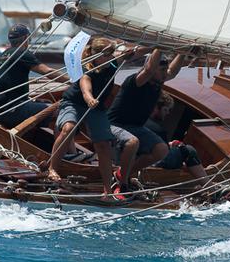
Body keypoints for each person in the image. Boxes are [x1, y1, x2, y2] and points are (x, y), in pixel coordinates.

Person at [48, 37, 124, 199]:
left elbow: (135, 53)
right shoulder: (85, 69)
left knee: (103, 145)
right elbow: (85, 88)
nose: (110, 56)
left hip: (96, 108)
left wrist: (148, 48)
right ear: (94, 54)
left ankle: (107, 191)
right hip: (75, 103)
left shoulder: (112, 63)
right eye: (106, 54)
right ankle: (52, 168)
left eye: (111, 53)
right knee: (69, 128)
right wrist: (89, 98)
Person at [107, 49, 186, 196]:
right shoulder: (135, 80)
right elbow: (149, 70)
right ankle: (123, 184)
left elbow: (173, 72)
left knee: (162, 150)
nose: (165, 73)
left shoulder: (157, 82)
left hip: (135, 127)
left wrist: (184, 53)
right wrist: (159, 47)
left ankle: (123, 173)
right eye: (162, 69)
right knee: (132, 142)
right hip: (114, 125)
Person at [0, 24, 66, 129]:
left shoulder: (3, 54)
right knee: (61, 113)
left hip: (0, 110)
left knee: (45, 104)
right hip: (14, 111)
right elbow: (48, 71)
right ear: (26, 38)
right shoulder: (22, 53)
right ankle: (60, 145)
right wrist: (73, 80)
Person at [145, 91, 206, 181]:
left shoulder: (140, 119)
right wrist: (179, 146)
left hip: (139, 156)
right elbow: (163, 153)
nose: (168, 113)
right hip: (150, 164)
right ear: (156, 107)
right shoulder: (158, 130)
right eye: (166, 109)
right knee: (188, 150)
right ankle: (208, 185)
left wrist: (170, 144)